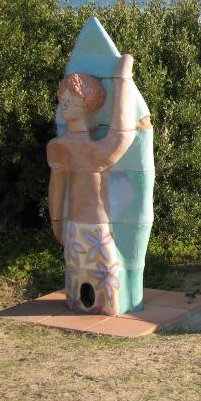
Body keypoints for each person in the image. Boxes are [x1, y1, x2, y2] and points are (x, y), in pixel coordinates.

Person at [47, 54, 136, 315]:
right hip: (74, 226)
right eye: (63, 100)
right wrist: (57, 224)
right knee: (76, 276)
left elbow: (123, 134)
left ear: (89, 104)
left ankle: (107, 309)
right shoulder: (58, 147)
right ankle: (80, 305)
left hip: (98, 228)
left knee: (107, 275)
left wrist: (122, 79)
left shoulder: (97, 149)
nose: (65, 105)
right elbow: (57, 188)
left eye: (72, 100)